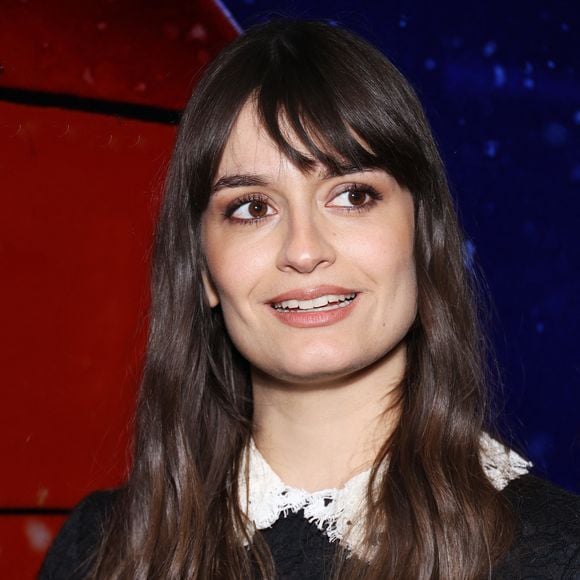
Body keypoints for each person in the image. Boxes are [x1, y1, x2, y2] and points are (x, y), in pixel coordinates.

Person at [40, 19, 580, 580]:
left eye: (352, 195)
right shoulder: (95, 551)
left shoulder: (560, 554)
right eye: (251, 207)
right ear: (201, 268)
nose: (303, 249)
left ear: (422, 238)